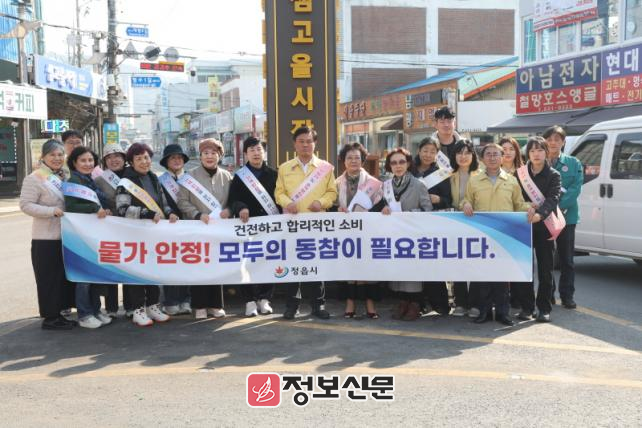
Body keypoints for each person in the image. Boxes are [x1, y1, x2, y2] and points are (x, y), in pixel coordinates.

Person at [461, 143, 531, 326]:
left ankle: (502, 313)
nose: (492, 157)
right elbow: (466, 200)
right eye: (488, 154)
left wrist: (531, 208)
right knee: (484, 275)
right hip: (482, 233)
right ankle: (483, 312)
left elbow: (519, 205)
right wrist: (465, 204)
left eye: (495, 154)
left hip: (504, 234)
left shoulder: (511, 181)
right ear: (482, 158)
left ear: (502, 157)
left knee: (502, 276)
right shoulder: (474, 180)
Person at [274, 126, 338, 320]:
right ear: (295, 144)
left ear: (315, 143)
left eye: (309, 141)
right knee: (293, 265)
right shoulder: (285, 168)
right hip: (292, 225)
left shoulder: (325, 168)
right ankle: (292, 306)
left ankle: (318, 305)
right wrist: (287, 203)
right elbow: (279, 193)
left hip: (317, 225)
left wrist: (322, 202)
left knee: (316, 265)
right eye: (301, 141)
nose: (305, 145)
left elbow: (332, 192)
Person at [116, 143, 177, 326]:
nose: (144, 162)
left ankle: (152, 306)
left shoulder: (153, 177)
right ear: (131, 162)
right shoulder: (125, 182)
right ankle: (138, 310)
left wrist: (170, 213)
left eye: (146, 157)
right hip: (133, 236)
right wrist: (147, 213)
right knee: (137, 272)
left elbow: (162, 204)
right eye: (139, 158)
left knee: (153, 271)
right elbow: (122, 209)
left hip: (153, 235)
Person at [19, 139, 75, 330]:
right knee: (49, 279)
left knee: (62, 278)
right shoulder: (34, 178)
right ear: (43, 157)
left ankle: (61, 314)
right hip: (45, 238)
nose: (57, 158)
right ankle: (51, 318)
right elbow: (25, 205)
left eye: (60, 154)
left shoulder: (65, 176)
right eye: (52, 155)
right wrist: (51, 211)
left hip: (66, 237)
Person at [371, 148, 432, 321]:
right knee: (398, 270)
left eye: (402, 162)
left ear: (408, 163)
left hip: (413, 234)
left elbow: (428, 210)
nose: (398, 166)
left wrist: (409, 214)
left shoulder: (419, 185)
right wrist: (383, 208)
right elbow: (377, 206)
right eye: (394, 163)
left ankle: (415, 304)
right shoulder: (385, 186)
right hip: (393, 235)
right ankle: (402, 302)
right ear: (389, 166)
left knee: (413, 271)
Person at [177, 138, 232, 320]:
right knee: (199, 266)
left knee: (217, 266)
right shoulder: (189, 177)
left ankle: (216, 305)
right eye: (206, 153)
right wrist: (197, 214)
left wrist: (229, 210)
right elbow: (182, 201)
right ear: (200, 156)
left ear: (219, 156)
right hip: (198, 228)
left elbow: (232, 200)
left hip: (219, 230)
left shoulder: (227, 176)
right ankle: (199, 305)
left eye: (214, 153)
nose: (209, 156)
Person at [227, 137, 279, 317]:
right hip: (247, 227)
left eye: (259, 149)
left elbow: (279, 198)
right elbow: (233, 199)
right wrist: (241, 207)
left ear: (264, 152)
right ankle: (249, 300)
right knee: (246, 263)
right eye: (252, 150)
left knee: (268, 261)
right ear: (245, 154)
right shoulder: (240, 176)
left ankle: (264, 298)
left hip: (269, 226)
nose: (256, 153)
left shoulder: (274, 174)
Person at [64, 146, 113, 329]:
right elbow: (71, 206)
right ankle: (84, 314)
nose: (87, 164)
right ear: (74, 163)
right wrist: (94, 209)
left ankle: (95, 310)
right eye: (83, 160)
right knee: (84, 277)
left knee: (94, 274)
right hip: (80, 236)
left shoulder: (90, 180)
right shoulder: (73, 181)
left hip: (93, 234)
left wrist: (105, 210)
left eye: (90, 160)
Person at [514, 137, 562, 323]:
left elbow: (553, 198)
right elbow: (516, 198)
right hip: (524, 225)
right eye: (532, 151)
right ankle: (527, 308)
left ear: (546, 152)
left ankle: (544, 308)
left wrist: (540, 214)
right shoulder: (520, 174)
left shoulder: (554, 175)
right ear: (528, 153)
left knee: (545, 270)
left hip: (545, 226)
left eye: (540, 150)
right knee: (525, 269)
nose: (536, 154)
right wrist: (528, 207)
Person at [335, 142, 383, 319]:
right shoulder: (336, 183)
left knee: (367, 267)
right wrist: (337, 209)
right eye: (349, 158)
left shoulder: (373, 183)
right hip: (346, 232)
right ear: (343, 161)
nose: (353, 161)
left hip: (368, 231)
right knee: (349, 267)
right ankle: (350, 302)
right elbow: (332, 205)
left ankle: (370, 303)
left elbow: (380, 204)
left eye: (357, 157)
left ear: (363, 160)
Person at [543, 125, 583, 309]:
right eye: (549, 139)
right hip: (543, 218)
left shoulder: (573, 163)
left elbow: (575, 188)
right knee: (546, 259)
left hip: (567, 218)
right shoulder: (538, 162)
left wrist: (556, 207)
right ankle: (548, 294)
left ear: (563, 142)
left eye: (557, 139)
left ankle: (567, 295)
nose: (553, 143)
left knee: (567, 260)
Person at [412, 137, 452, 316]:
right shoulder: (409, 169)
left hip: (433, 222)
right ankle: (417, 303)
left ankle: (439, 303)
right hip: (411, 222)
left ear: (437, 154)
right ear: (419, 150)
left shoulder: (441, 174)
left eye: (432, 152)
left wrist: (439, 199)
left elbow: (449, 200)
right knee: (414, 263)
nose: (428, 154)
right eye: (425, 150)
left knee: (433, 262)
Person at [449, 139, 481, 319]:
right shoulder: (448, 175)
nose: (463, 156)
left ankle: (476, 302)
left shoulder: (481, 174)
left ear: (473, 155)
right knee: (457, 262)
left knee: (476, 262)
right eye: (459, 153)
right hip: (455, 222)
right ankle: (460, 302)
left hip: (477, 223)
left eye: (467, 153)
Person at [158, 144, 192, 316]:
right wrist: (168, 213)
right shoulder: (160, 181)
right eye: (173, 158)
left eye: (179, 157)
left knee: (188, 263)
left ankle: (186, 300)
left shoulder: (191, 179)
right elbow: (159, 203)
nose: (177, 160)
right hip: (169, 227)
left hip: (191, 226)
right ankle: (170, 301)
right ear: (166, 162)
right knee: (170, 264)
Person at [94, 143, 127, 317]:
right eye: (109, 157)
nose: (114, 160)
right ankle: (111, 308)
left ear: (124, 158)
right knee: (111, 267)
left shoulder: (132, 175)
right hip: (109, 229)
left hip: (131, 228)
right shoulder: (99, 180)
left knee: (132, 266)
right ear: (105, 161)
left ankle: (131, 306)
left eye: (117, 156)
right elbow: (95, 201)